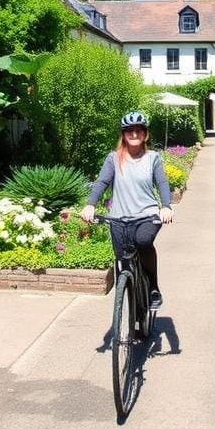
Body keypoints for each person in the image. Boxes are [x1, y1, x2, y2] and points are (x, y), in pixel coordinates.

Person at [81, 111, 174, 309]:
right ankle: (129, 296)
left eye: (138, 130)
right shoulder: (113, 158)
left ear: (145, 134)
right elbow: (102, 182)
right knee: (122, 259)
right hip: (119, 218)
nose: (134, 134)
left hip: (147, 216)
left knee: (143, 242)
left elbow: (162, 183)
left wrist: (166, 207)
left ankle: (153, 288)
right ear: (123, 135)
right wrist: (90, 204)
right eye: (129, 131)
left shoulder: (152, 158)